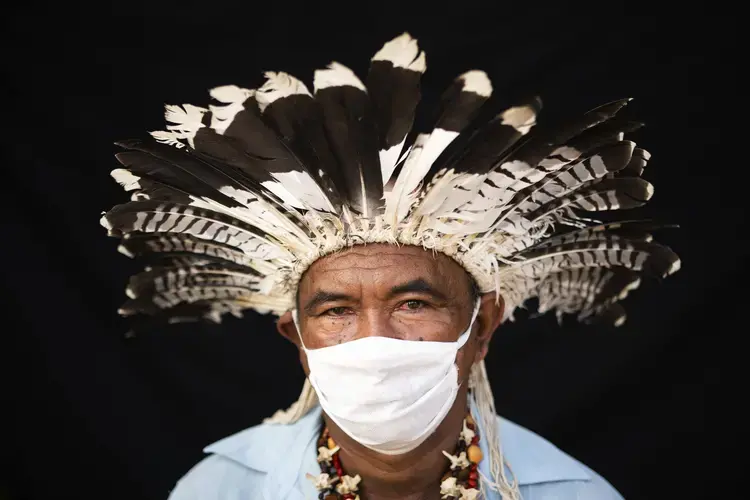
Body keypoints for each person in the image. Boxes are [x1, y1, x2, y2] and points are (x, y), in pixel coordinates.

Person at [101, 32, 680, 499]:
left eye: (414, 303)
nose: (375, 340)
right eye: (335, 310)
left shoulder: (574, 494)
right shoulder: (220, 490)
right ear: (297, 339)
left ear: (481, 328)